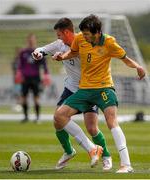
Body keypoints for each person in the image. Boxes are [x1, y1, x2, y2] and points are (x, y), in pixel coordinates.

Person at [52, 14, 145, 173]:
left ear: (97, 32)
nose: (84, 37)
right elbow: (73, 52)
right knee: (59, 116)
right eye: (84, 34)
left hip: (104, 89)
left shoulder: (109, 42)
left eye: (87, 34)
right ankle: (92, 148)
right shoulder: (80, 39)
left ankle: (126, 164)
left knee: (111, 121)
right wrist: (63, 57)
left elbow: (125, 59)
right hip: (84, 90)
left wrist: (138, 67)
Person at [32, 18, 111, 170]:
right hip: (70, 88)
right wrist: (38, 53)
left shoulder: (85, 43)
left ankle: (106, 155)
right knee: (58, 121)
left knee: (92, 128)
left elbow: (85, 55)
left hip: (87, 89)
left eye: (59, 35)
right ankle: (69, 151)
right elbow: (42, 49)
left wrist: (63, 56)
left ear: (67, 32)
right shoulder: (59, 44)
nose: (58, 38)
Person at [16, 33, 51, 123]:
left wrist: (46, 75)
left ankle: (37, 117)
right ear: (27, 40)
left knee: (36, 98)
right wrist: (19, 73)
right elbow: (20, 65)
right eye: (30, 40)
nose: (31, 41)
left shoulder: (38, 52)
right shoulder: (23, 52)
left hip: (35, 77)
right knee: (24, 97)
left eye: (33, 39)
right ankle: (26, 117)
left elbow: (44, 64)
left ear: (35, 40)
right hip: (25, 78)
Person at [11, 47, 22, 112]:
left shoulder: (24, 60)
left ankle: (20, 105)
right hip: (16, 80)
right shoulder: (15, 61)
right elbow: (14, 70)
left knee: (21, 93)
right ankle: (18, 104)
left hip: (22, 80)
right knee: (17, 93)